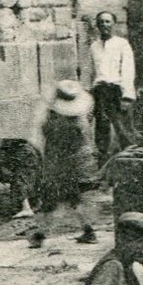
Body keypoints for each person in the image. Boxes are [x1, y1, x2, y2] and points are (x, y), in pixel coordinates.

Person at [36, 80, 99, 245]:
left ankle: (41, 235)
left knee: (52, 201)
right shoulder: (81, 119)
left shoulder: (58, 123)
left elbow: (49, 140)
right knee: (75, 200)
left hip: (62, 166)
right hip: (80, 164)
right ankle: (88, 230)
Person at [89, 11, 139, 165]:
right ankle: (103, 168)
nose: (104, 25)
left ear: (114, 24)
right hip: (100, 92)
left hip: (117, 91)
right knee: (102, 130)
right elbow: (91, 72)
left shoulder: (122, 44)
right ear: (97, 26)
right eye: (101, 22)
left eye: (107, 21)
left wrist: (127, 96)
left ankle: (133, 164)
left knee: (124, 129)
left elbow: (128, 70)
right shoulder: (94, 47)